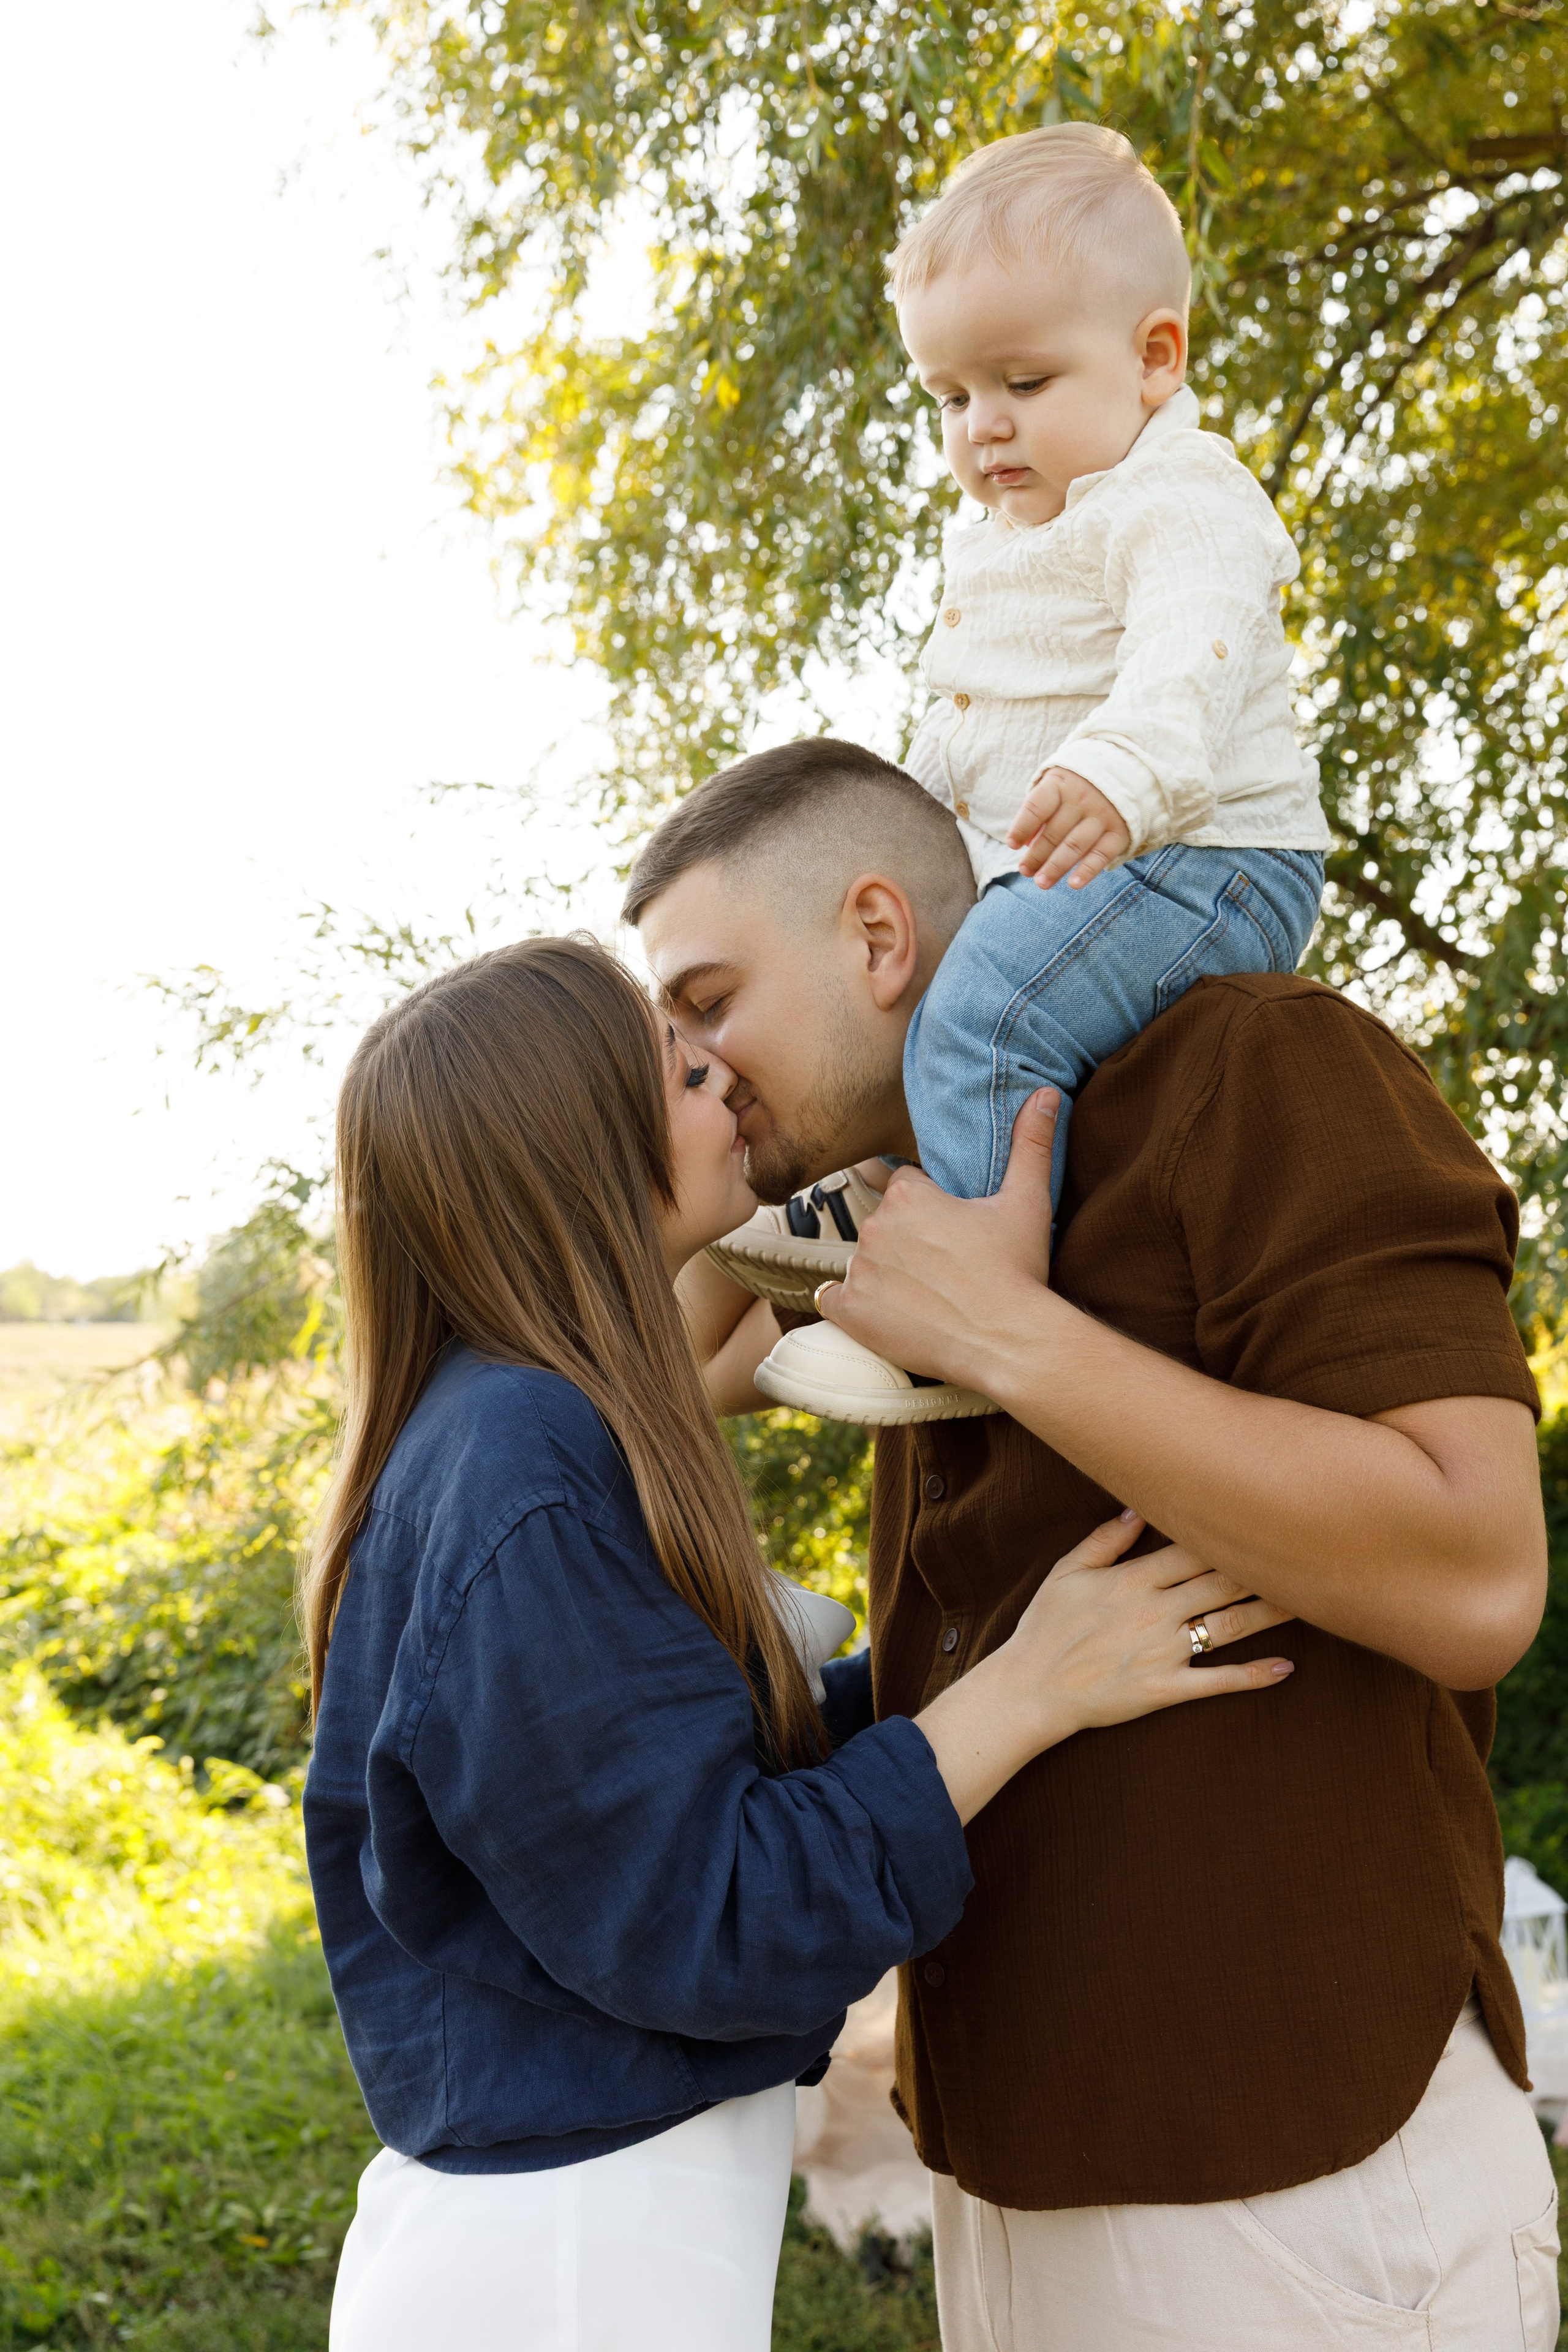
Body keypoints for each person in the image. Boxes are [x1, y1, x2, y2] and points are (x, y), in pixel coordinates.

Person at [627, 741, 1559, 2350]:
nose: (694, 1065)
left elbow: (1482, 1574)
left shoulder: (1260, 1065)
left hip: (1293, 2176)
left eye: (710, 1005)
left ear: (875, 934)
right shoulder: (887, 1211)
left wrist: (1015, 1341)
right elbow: (620, 1394)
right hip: (1005, 2167)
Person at [300, 935, 1290, 2352]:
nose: (729, 1094)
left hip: (576, 2240)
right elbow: (711, 1916)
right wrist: (1022, 1692)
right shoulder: (519, 1460)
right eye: (685, 1072)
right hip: (566, 2274)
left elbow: (671, 1790)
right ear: (582, 1147)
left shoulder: (508, 1429)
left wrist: (982, 1651)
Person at [740, 123, 1330, 1423]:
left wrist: (1121, 770)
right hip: (1093, 861)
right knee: (902, 982)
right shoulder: (1008, 529)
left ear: (1151, 358)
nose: (982, 427)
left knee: (986, 1011)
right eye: (950, 398)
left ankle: (974, 1309)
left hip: (1206, 857)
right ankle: (884, 1206)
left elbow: (1195, 647)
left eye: (1020, 380)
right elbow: (969, 724)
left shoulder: (1176, 498)